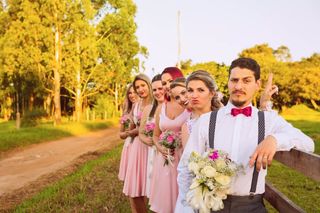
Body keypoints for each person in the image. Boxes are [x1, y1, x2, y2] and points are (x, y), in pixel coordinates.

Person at [177, 58, 314, 213]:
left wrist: (275, 139)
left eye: (246, 80)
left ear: (257, 84)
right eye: (234, 80)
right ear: (228, 83)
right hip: (211, 205)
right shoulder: (207, 121)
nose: (238, 86)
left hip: (252, 206)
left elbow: (308, 143)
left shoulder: (268, 120)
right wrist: (190, 207)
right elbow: (186, 167)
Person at [149, 67, 190, 213]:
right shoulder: (161, 107)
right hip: (165, 161)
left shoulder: (189, 105)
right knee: (164, 204)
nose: (166, 86)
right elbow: (155, 135)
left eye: (170, 81)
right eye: (164, 82)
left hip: (183, 159)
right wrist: (161, 148)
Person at [123, 74, 153, 213]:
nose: (140, 89)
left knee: (153, 189)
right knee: (135, 190)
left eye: (143, 85)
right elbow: (131, 128)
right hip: (138, 147)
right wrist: (130, 131)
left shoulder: (157, 103)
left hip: (153, 147)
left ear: (148, 84)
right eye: (137, 87)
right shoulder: (136, 106)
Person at [139, 74, 165, 198]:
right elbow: (141, 133)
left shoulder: (173, 107)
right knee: (156, 192)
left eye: (160, 88)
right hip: (153, 153)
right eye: (154, 90)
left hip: (168, 152)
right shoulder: (149, 109)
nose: (157, 92)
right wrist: (147, 140)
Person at [118, 84, 139, 181]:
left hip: (140, 146)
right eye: (130, 93)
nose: (132, 95)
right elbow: (121, 134)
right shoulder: (126, 111)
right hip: (129, 146)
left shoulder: (144, 109)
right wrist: (127, 133)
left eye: (134, 92)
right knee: (130, 180)